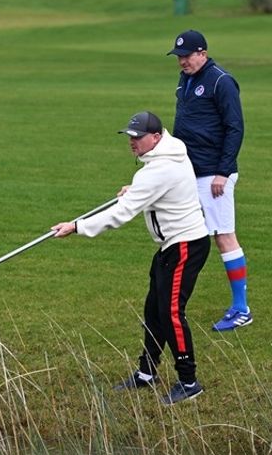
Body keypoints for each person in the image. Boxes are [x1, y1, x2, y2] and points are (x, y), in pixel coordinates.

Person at [51, 111, 211, 405]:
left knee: (172, 313)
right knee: (153, 310)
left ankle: (189, 382)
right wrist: (136, 191)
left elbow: (121, 214)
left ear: (156, 138)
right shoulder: (169, 153)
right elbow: (159, 191)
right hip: (171, 246)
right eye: (130, 136)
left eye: (138, 137)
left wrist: (76, 226)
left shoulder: (157, 170)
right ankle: (147, 373)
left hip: (186, 245)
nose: (132, 142)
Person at [168, 29, 252, 332]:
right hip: (189, 172)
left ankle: (241, 308)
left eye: (187, 56)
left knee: (223, 236)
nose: (182, 62)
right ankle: (172, 302)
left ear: (202, 53)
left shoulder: (221, 81)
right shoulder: (186, 80)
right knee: (184, 233)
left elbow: (235, 128)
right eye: (179, 57)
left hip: (213, 174)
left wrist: (223, 171)